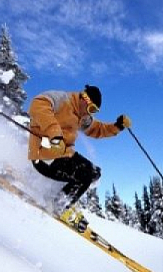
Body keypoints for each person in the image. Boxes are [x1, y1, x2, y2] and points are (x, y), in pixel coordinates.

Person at [28, 85, 131, 231]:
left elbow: (97, 129)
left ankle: (60, 197)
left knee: (94, 172)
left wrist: (117, 127)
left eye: (94, 111)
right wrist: (54, 133)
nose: (91, 114)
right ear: (84, 99)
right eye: (91, 109)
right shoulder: (62, 99)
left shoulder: (82, 117)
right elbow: (37, 104)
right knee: (85, 175)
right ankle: (60, 205)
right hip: (44, 154)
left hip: (63, 154)